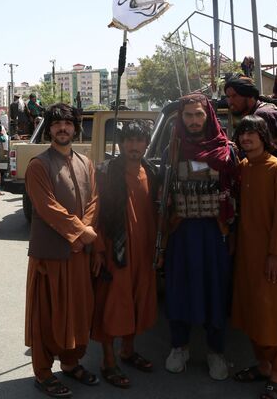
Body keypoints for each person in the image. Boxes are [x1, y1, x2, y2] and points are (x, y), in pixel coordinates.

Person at [24, 103, 100, 397]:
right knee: (46, 315)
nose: (63, 129)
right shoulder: (38, 165)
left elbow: (94, 201)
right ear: (49, 130)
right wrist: (81, 233)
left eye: (67, 124)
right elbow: (47, 208)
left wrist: (84, 234)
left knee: (79, 311)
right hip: (50, 255)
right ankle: (43, 373)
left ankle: (71, 363)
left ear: (75, 127)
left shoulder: (85, 163)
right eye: (57, 125)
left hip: (78, 253)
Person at [162, 94, 238, 380]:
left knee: (215, 290)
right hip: (181, 232)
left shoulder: (226, 150)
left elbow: (235, 191)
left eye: (198, 115)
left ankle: (216, 351)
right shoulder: (174, 149)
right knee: (179, 288)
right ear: (181, 118)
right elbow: (165, 191)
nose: (193, 121)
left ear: (208, 117)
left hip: (214, 233)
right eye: (188, 116)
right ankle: (179, 347)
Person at [231, 115, 277, 399]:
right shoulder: (244, 167)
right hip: (249, 254)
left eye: (252, 134)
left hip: (276, 255)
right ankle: (262, 366)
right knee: (254, 313)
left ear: (263, 136)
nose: (246, 139)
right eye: (242, 134)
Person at [91, 120, 158, 388]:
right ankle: (108, 361)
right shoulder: (106, 172)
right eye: (128, 141)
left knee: (137, 301)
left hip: (144, 250)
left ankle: (128, 351)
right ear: (121, 144)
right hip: (114, 249)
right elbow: (93, 211)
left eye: (139, 141)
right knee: (112, 305)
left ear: (146, 144)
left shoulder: (150, 171)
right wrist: (96, 249)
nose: (133, 146)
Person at [224, 75, 277, 167]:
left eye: (234, 96)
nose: (230, 101)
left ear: (249, 96)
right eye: (228, 97)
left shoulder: (262, 115)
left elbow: (251, 151)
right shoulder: (260, 110)